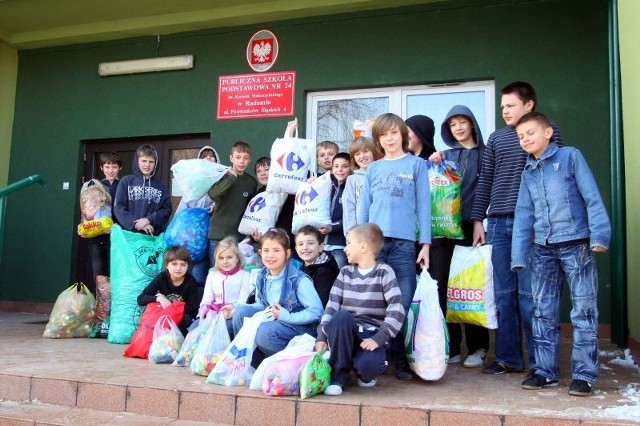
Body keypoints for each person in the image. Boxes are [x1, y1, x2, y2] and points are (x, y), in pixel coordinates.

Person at [512, 112, 610, 396]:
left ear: (548, 133)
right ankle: (545, 371)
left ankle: (584, 375)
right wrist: (519, 254)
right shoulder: (527, 172)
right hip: (541, 249)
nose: (525, 139)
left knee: (583, 311)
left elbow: (591, 196)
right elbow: (523, 215)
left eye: (530, 132)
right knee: (542, 313)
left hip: (576, 244)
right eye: (520, 136)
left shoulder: (570, 157)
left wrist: (599, 235)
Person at [470, 81, 563, 375]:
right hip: (496, 222)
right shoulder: (497, 139)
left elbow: (553, 177)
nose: (505, 111)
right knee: (502, 294)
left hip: (532, 224)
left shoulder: (547, 131)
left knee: (531, 295)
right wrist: (477, 220)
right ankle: (508, 357)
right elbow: (486, 180)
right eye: (502, 107)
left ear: (529, 105)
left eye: (510, 105)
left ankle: (540, 362)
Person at [357, 113, 431, 380]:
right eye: (383, 135)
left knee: (401, 300)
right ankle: (380, 354)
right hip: (374, 245)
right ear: (378, 140)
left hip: (404, 246)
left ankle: (400, 358)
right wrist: (358, 243)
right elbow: (364, 207)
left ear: (402, 134)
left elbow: (424, 206)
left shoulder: (417, 165)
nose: (389, 138)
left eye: (393, 133)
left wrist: (426, 245)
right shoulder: (373, 169)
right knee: (376, 301)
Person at [428, 105, 490, 368]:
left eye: (463, 122)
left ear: (472, 124)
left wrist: (479, 221)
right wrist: (433, 162)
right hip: (442, 228)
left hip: (471, 227)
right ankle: (452, 347)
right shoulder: (445, 156)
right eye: (453, 124)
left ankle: (478, 347)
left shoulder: (487, 154)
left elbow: (487, 189)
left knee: (469, 286)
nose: (458, 128)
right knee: (443, 286)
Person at [316, 223, 405, 396]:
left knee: (369, 366)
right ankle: (339, 376)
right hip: (346, 333)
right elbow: (331, 307)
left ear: (363, 246)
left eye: (349, 243)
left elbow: (397, 309)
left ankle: (362, 372)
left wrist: (379, 338)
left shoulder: (384, 272)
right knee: (341, 316)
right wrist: (321, 336)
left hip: (370, 336)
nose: (345, 248)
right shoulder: (345, 273)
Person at [221, 228, 323, 368]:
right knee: (240, 314)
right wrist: (237, 307)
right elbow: (261, 306)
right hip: (273, 322)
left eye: (276, 250)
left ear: (287, 253)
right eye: (266, 250)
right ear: (260, 253)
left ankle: (283, 366)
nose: (270, 255)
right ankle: (250, 363)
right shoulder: (262, 275)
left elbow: (316, 312)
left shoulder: (299, 280)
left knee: (264, 331)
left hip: (299, 329)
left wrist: (286, 316)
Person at [175, 145, 220, 287]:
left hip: (212, 236)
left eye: (211, 156)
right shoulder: (192, 184)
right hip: (193, 239)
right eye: (204, 157)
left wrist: (214, 207)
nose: (208, 159)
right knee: (193, 272)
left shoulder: (222, 181)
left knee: (207, 272)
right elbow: (181, 213)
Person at [207, 140, 257, 262]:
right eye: (238, 157)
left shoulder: (251, 182)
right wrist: (232, 178)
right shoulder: (222, 176)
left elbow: (250, 209)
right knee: (217, 275)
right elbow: (213, 194)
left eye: (245, 158)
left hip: (238, 238)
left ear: (249, 160)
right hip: (218, 237)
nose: (241, 161)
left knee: (237, 275)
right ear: (231, 158)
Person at [137, 246, 200, 334]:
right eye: (174, 264)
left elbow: (194, 309)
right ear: (167, 265)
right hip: (163, 317)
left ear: (188, 266)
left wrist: (172, 305)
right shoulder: (162, 278)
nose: (178, 268)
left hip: (182, 320)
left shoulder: (190, 281)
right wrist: (158, 298)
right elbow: (140, 299)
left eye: (183, 265)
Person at [199, 236, 252, 337]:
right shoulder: (212, 274)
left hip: (232, 314)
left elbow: (242, 302)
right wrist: (206, 312)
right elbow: (206, 299)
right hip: (213, 313)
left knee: (223, 331)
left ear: (237, 258)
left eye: (229, 257)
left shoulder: (245, 276)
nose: (225, 261)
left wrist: (232, 309)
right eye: (221, 258)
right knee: (194, 330)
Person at [114, 144, 172, 236]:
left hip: (153, 236)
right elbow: (119, 207)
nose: (147, 165)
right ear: (137, 161)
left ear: (155, 163)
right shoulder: (126, 181)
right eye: (144, 161)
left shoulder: (161, 186)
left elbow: (166, 210)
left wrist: (148, 219)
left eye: (151, 161)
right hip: (129, 236)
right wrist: (135, 223)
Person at [84, 152, 121, 289]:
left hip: (117, 235)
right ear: (101, 168)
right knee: (99, 274)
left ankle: (115, 306)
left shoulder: (123, 185)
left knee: (115, 271)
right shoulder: (94, 186)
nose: (110, 170)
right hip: (97, 235)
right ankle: (101, 307)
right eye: (107, 167)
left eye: (114, 167)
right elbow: (86, 212)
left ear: (119, 168)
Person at [319, 152, 351, 269]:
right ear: (331, 169)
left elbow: (350, 218)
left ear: (351, 168)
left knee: (340, 279)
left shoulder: (350, 188)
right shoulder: (326, 185)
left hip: (340, 245)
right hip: (322, 246)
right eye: (336, 166)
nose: (340, 170)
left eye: (345, 166)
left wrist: (332, 227)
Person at [295, 225, 340, 307]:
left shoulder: (325, 273)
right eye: (300, 244)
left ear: (320, 247)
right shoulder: (300, 270)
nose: (305, 247)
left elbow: (321, 305)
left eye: (310, 243)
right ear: (296, 249)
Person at [342, 136, 378, 237]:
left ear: (373, 153)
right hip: (361, 232)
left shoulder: (382, 174)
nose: (362, 156)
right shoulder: (352, 180)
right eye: (357, 154)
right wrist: (350, 234)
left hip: (382, 230)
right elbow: (349, 208)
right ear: (354, 159)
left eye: (365, 151)